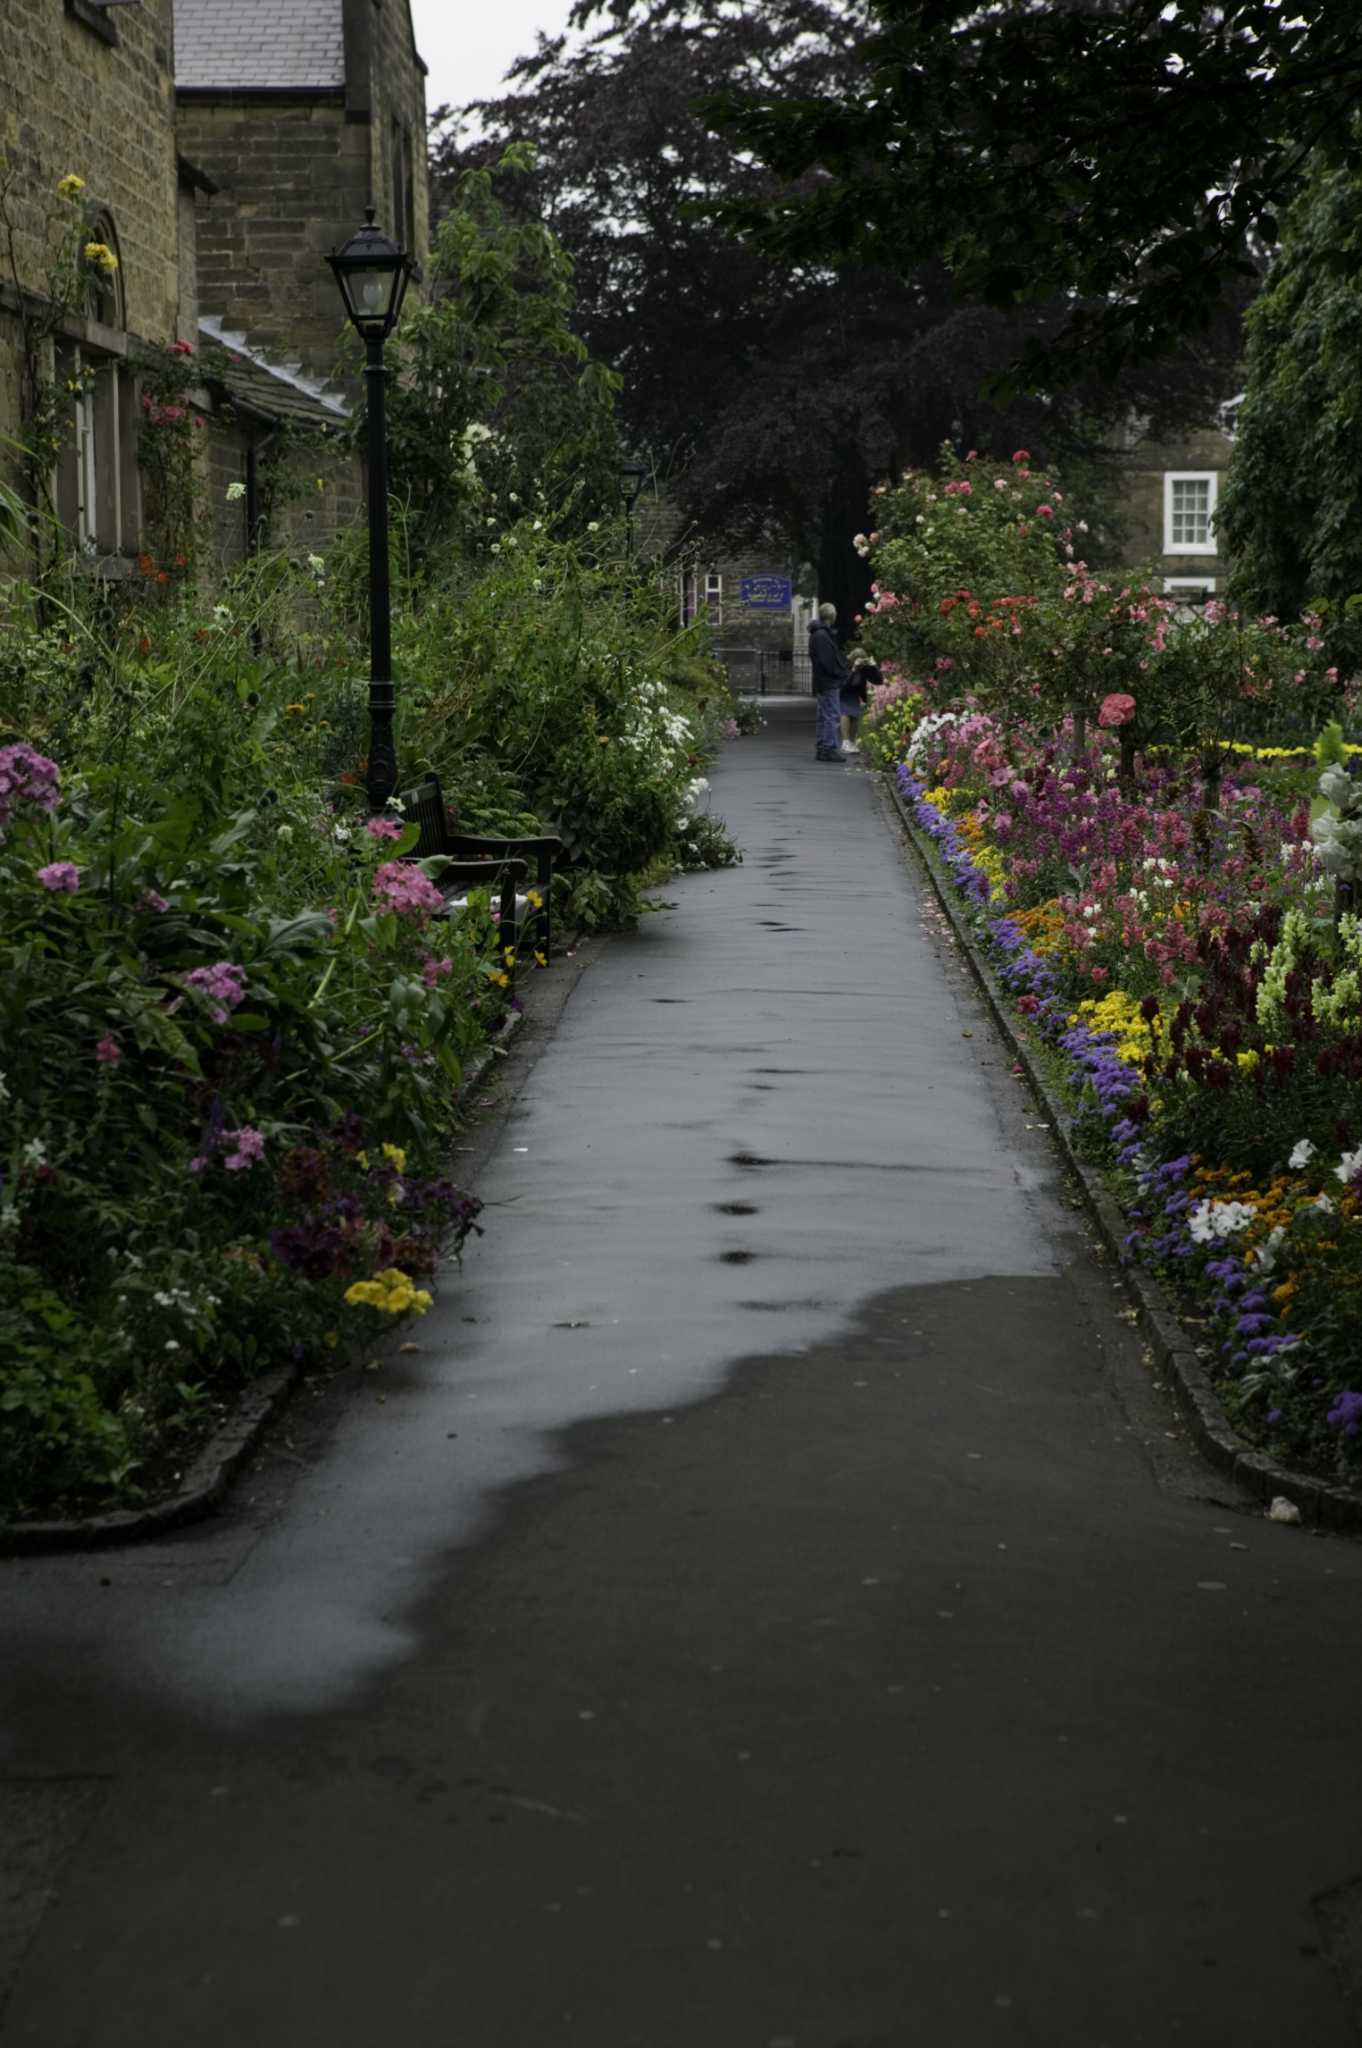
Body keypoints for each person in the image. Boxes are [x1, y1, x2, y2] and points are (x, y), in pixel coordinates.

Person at [808, 602, 849, 761]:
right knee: (831, 715)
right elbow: (828, 662)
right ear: (832, 616)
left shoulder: (817, 634)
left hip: (822, 681)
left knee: (823, 716)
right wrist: (840, 672)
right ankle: (829, 748)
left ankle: (822, 747)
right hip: (828, 682)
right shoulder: (822, 636)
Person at [840, 646, 880, 755]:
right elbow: (844, 684)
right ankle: (845, 742)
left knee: (855, 716)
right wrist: (853, 669)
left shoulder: (863, 668)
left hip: (854, 693)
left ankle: (851, 742)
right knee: (846, 713)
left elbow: (878, 680)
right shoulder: (844, 664)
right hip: (843, 692)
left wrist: (874, 665)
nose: (861, 663)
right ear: (853, 658)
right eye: (859, 660)